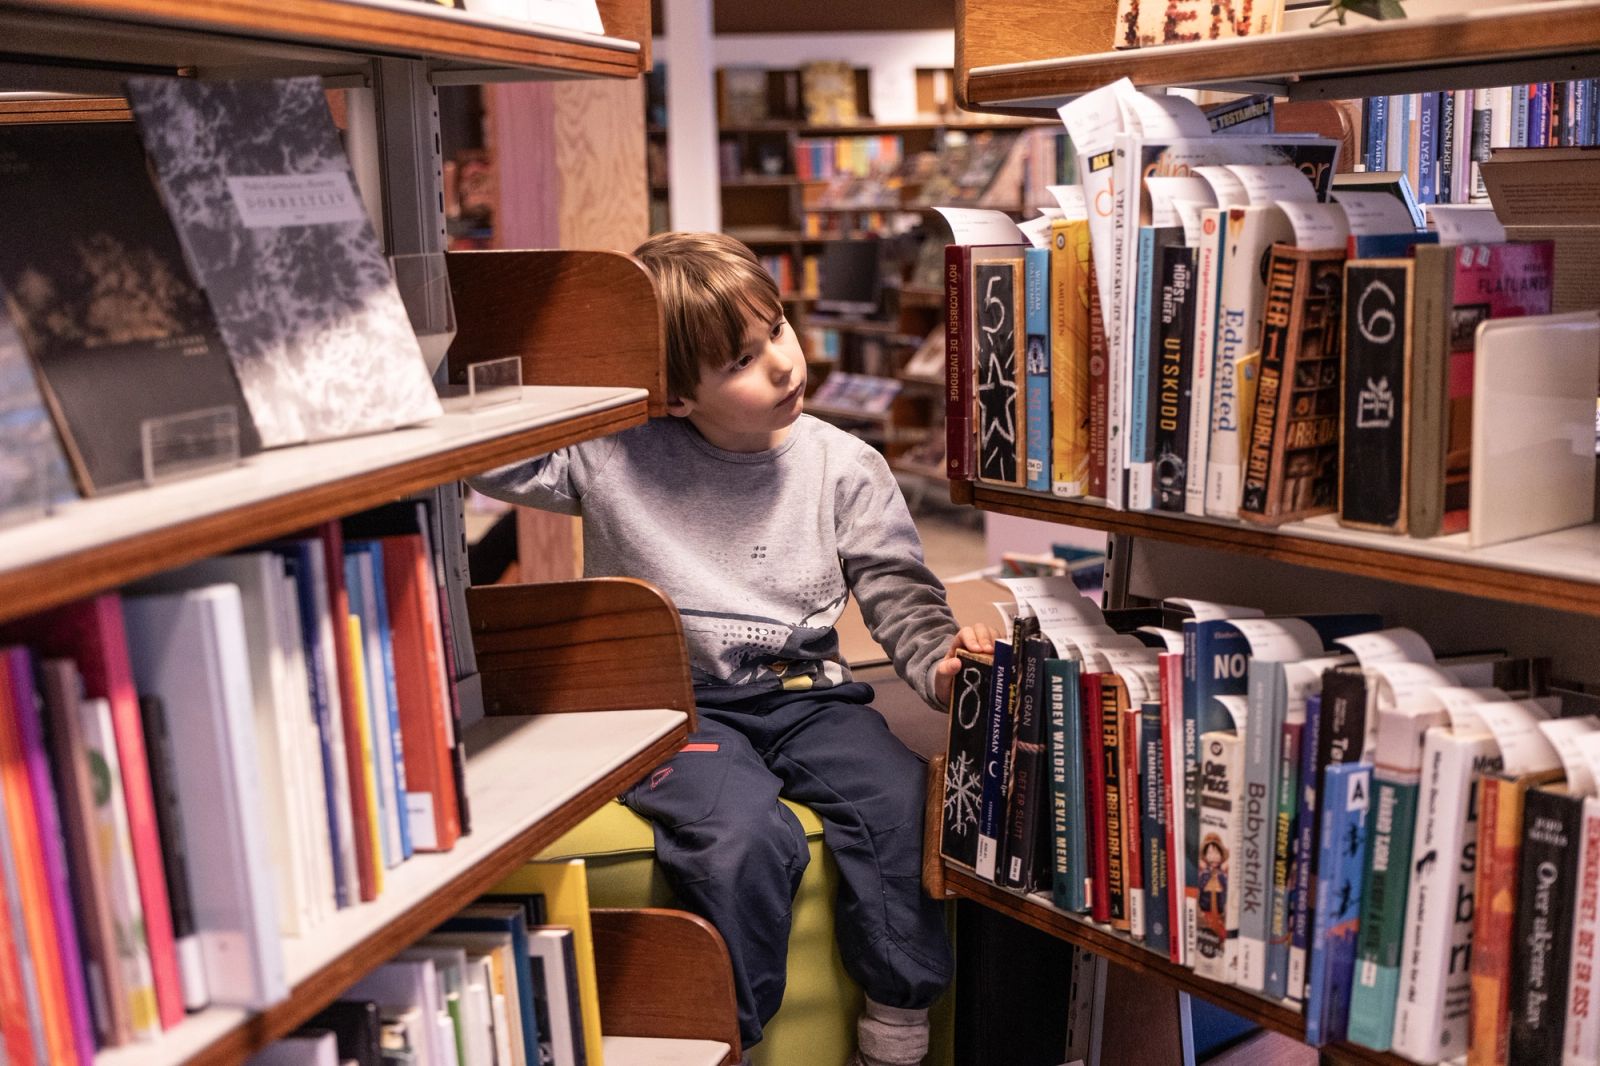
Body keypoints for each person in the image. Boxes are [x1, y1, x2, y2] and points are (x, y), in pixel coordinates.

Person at [469, 231, 994, 1066]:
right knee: (741, 836)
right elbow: (489, 456)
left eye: (776, 329)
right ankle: (727, 1041)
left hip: (807, 696)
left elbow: (899, 590)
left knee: (900, 803)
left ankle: (896, 1027)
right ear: (676, 395)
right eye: (741, 361)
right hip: (673, 708)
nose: (783, 364)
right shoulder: (612, 450)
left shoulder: (845, 466)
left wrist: (938, 663)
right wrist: (551, 341)